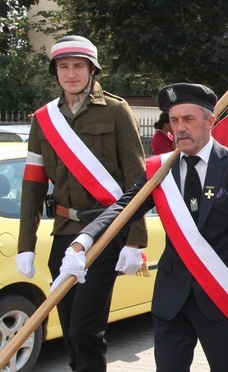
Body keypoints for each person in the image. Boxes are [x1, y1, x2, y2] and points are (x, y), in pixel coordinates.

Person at [52, 83, 228, 372]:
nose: (180, 128)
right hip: (172, 301)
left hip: (223, 298)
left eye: (189, 119)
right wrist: (82, 242)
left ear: (211, 121)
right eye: (174, 120)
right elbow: (123, 208)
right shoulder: (160, 170)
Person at [16, 35, 148, 372]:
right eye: (64, 67)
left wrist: (135, 240)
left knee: (85, 329)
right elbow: (32, 185)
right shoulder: (43, 119)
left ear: (92, 70)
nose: (71, 74)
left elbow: (138, 179)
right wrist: (26, 245)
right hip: (63, 233)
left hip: (105, 232)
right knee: (70, 333)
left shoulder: (117, 111)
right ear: (55, 72)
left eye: (78, 66)